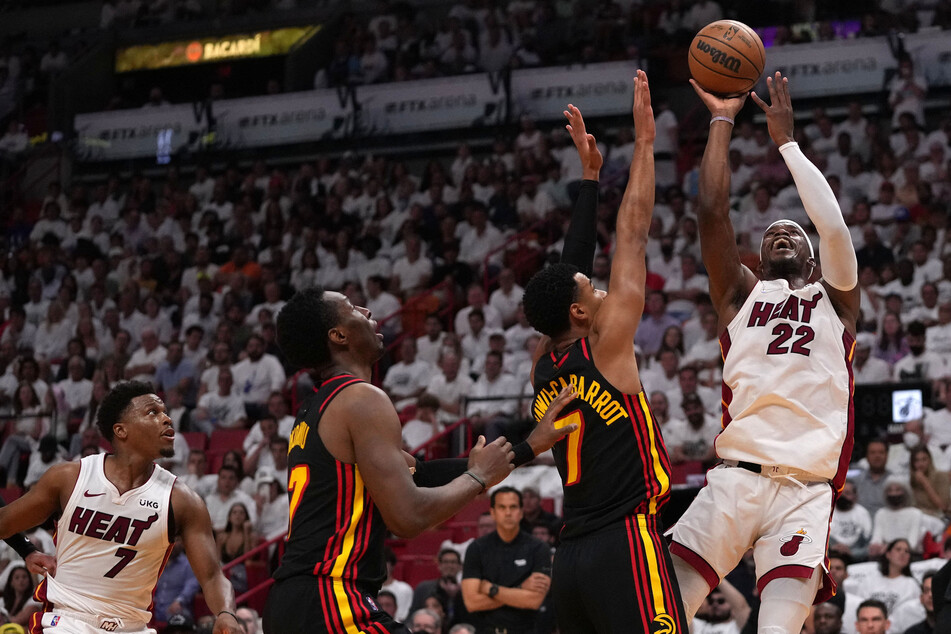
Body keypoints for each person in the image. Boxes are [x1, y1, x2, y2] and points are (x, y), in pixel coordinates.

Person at [262, 288, 575, 633]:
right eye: (352, 308)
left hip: (294, 602)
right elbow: (408, 517)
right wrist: (478, 480)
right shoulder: (361, 398)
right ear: (338, 335)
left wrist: (529, 446)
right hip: (330, 598)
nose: (366, 310)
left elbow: (418, 474)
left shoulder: (315, 407)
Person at [669, 72, 861, 631]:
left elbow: (833, 227)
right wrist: (722, 121)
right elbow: (711, 213)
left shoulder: (837, 302)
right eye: (771, 232)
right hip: (735, 477)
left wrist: (787, 144)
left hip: (805, 488)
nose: (782, 233)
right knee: (658, 616)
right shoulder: (740, 295)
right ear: (755, 257)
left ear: (810, 256)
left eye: (793, 233)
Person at [521, 73, 689, 632]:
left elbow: (566, 275)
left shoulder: (542, 361)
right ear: (580, 314)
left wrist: (590, 179)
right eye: (591, 292)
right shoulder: (608, 348)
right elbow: (634, 234)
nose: (599, 289)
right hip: (625, 540)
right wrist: (645, 145)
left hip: (570, 554)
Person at [0, 380, 240, 633]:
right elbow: (4, 523)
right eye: (152, 412)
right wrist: (26, 549)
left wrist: (226, 613)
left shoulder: (182, 500)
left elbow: (213, 576)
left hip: (133, 627)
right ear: (121, 430)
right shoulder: (70, 478)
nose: (167, 419)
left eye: (165, 412)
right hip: (68, 622)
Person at [460, 487, 551, 633]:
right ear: (493, 513)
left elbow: (533, 601)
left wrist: (490, 589)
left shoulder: (539, 548)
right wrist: (520, 589)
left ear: (521, 512)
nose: (508, 513)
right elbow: (472, 602)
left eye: (513, 507)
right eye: (502, 507)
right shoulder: (476, 548)